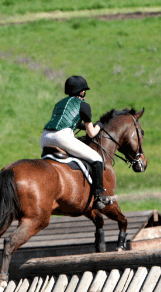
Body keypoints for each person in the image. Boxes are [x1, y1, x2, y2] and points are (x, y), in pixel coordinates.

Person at [41, 76, 113, 210]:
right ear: (81, 91)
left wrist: (78, 126)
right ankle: (99, 196)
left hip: (45, 137)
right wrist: (99, 124)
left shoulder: (59, 103)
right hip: (62, 137)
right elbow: (91, 133)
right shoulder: (84, 105)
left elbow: (65, 120)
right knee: (97, 158)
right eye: (84, 90)